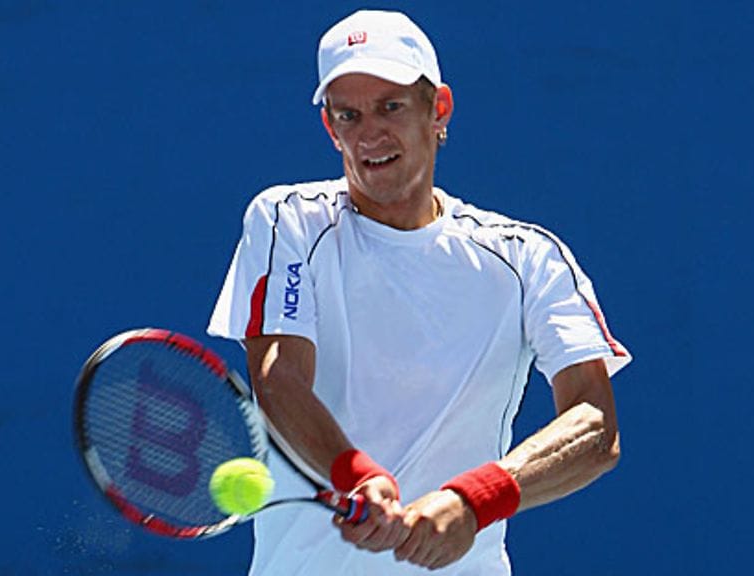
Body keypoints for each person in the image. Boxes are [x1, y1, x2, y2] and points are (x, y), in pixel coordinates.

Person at [208, 9, 631, 575]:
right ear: (331, 129)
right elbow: (278, 379)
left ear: (439, 110)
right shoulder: (289, 220)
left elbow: (595, 425)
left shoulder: (528, 258)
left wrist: (476, 500)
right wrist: (356, 474)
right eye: (349, 116)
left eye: (391, 107)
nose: (370, 135)